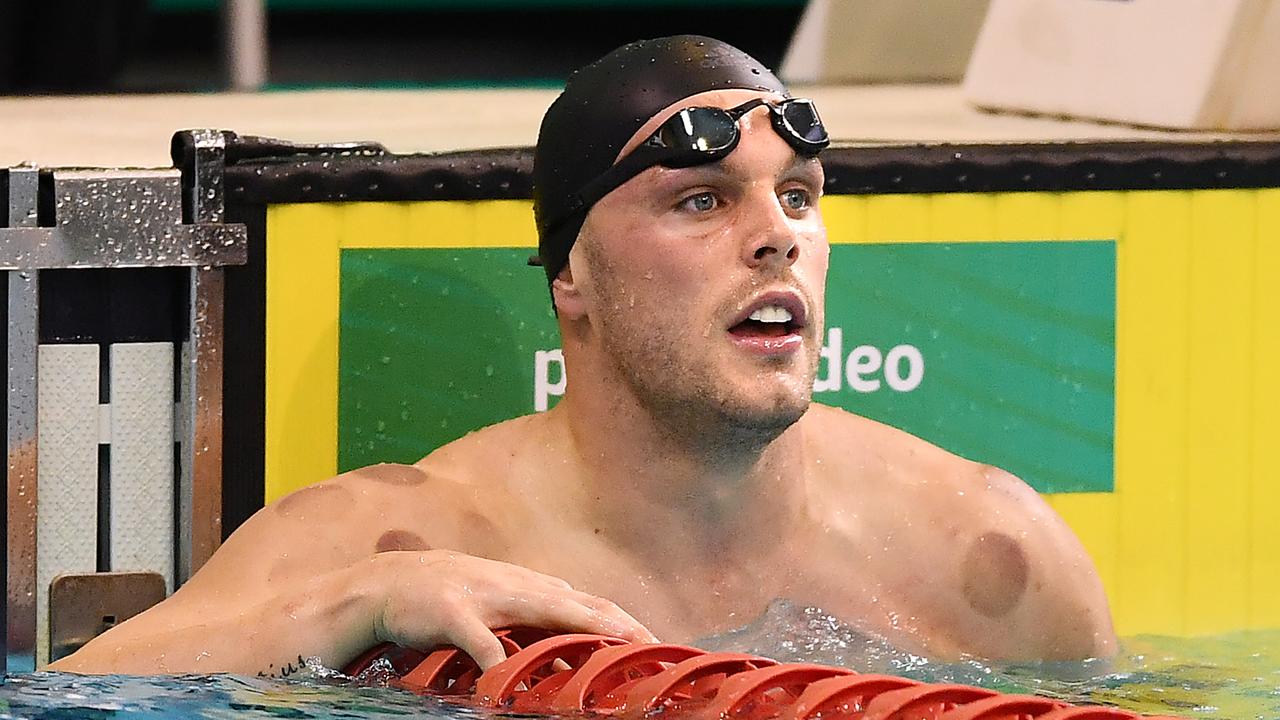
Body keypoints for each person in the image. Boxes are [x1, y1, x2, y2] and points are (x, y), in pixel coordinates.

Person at [52, 35, 1115, 677]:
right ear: (572, 280)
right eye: (700, 201)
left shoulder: (982, 555)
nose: (775, 234)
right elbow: (73, 694)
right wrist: (357, 606)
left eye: (796, 198)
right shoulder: (389, 541)